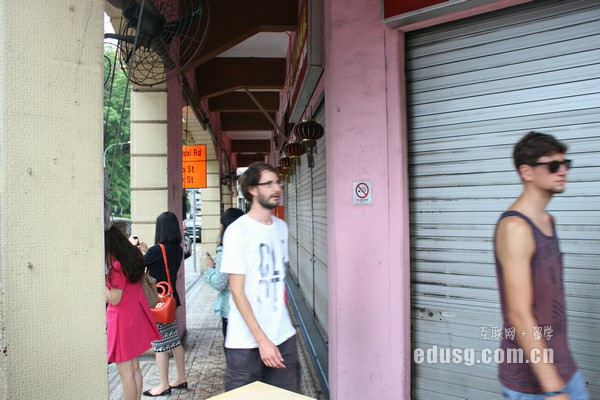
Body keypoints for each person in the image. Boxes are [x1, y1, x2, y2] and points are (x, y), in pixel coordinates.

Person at [494, 132, 589, 399]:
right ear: (527, 172)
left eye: (565, 164)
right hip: (531, 382)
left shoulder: (548, 221)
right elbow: (519, 315)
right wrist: (553, 388)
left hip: (564, 368)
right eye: (553, 165)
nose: (563, 171)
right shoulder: (515, 228)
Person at [220, 162, 300, 392]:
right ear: (252, 189)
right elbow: (237, 291)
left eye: (277, 182)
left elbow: (278, 281)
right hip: (245, 343)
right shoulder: (237, 231)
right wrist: (262, 340)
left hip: (283, 336)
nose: (276, 188)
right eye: (269, 183)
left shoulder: (281, 228)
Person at [105, 225, 162, 400]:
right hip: (134, 317)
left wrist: (99, 283)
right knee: (135, 368)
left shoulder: (117, 266)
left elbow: (114, 298)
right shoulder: (132, 258)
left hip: (121, 321)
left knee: (126, 374)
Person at [138, 211, 188, 397]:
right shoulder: (178, 249)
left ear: (160, 229)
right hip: (170, 300)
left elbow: (139, 264)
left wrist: (138, 249)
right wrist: (147, 250)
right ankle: (181, 378)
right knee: (173, 339)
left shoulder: (156, 250)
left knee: (159, 343)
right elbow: (160, 265)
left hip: (158, 302)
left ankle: (163, 384)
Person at [204, 207, 245, 340]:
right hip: (251, 307)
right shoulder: (249, 246)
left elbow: (220, 283)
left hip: (232, 309)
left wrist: (209, 269)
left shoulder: (227, 251)